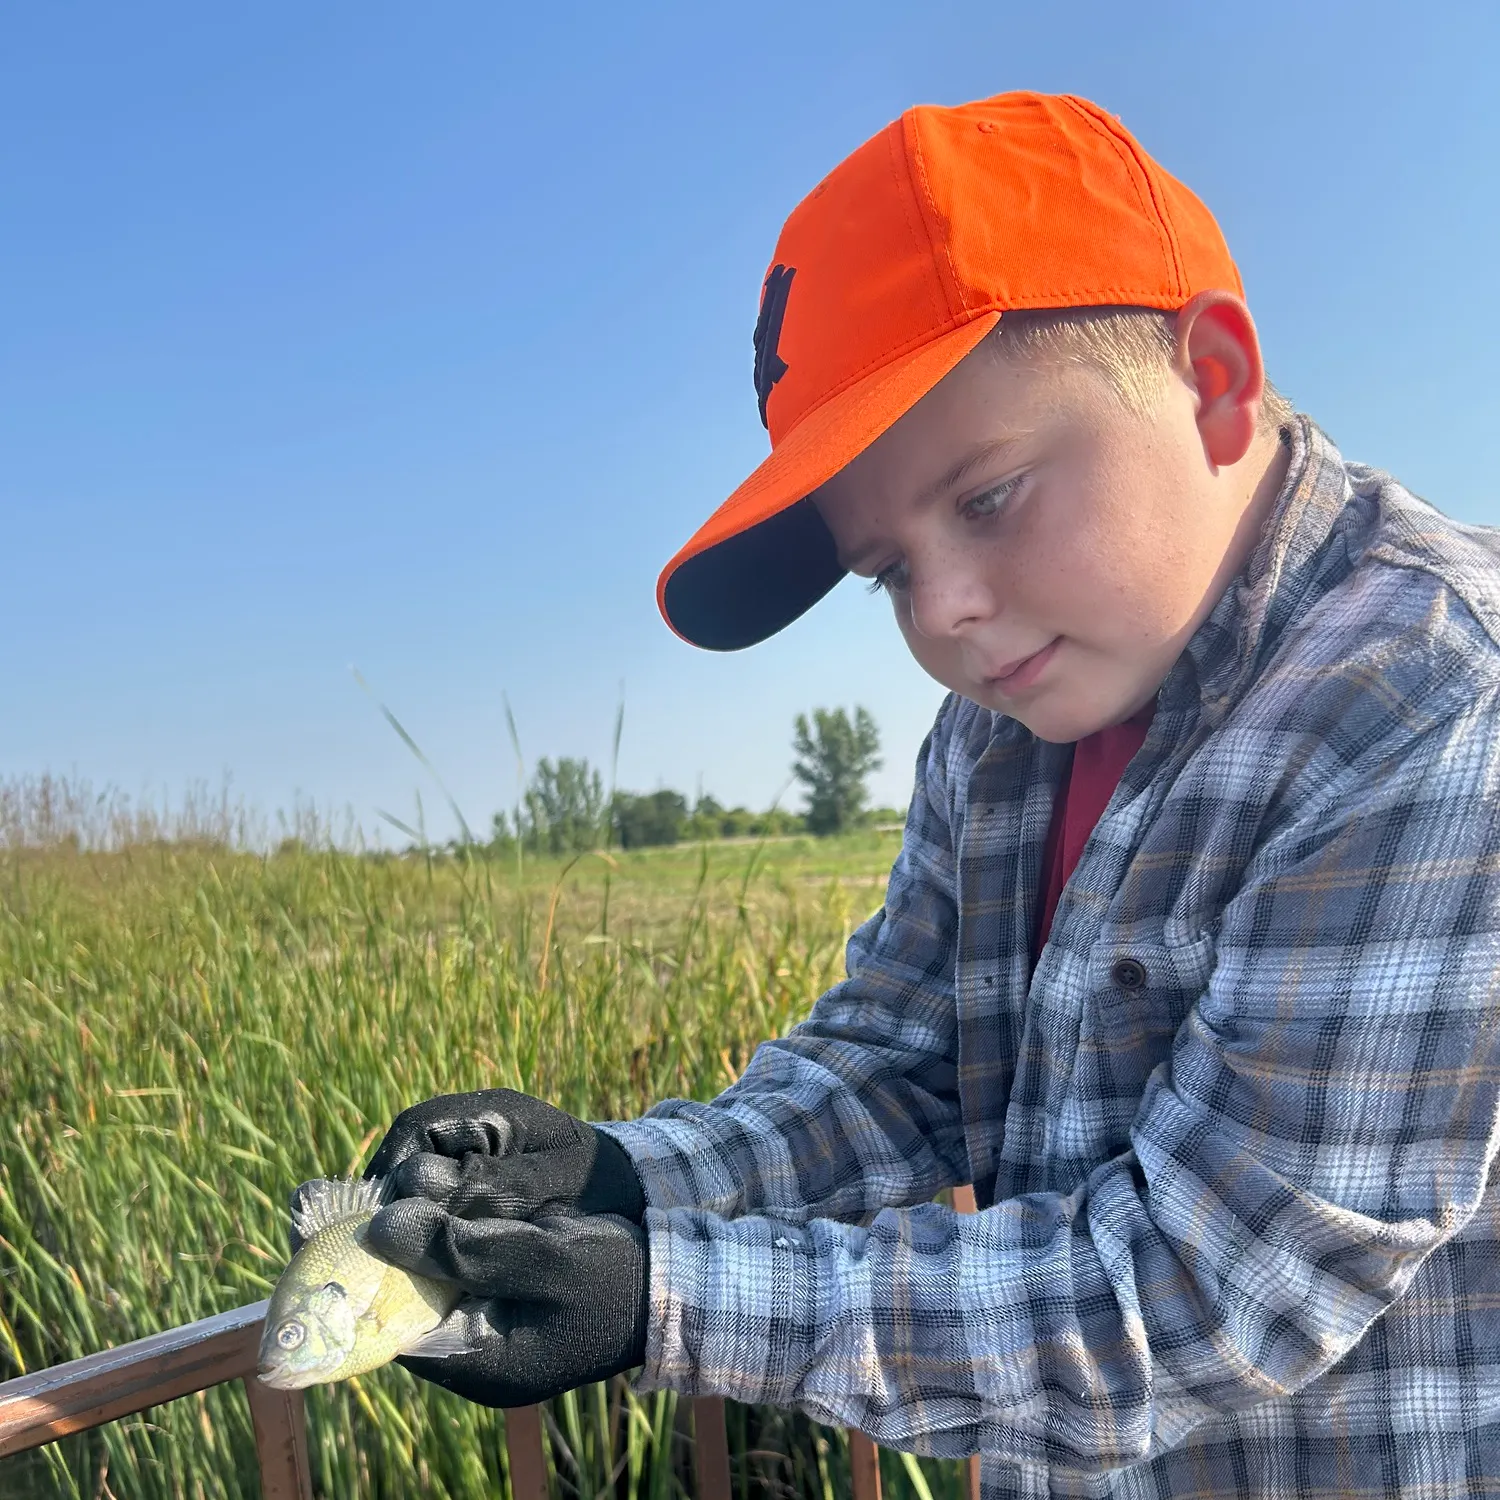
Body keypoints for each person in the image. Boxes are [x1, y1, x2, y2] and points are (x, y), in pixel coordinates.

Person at [342, 92, 1500, 1494]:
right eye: (886, 569)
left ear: (1211, 379)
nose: (944, 614)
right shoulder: (1000, 725)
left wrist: (663, 1297)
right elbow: (899, 1066)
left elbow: (1207, 1293)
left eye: (990, 496)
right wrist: (621, 1180)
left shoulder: (1424, 699)